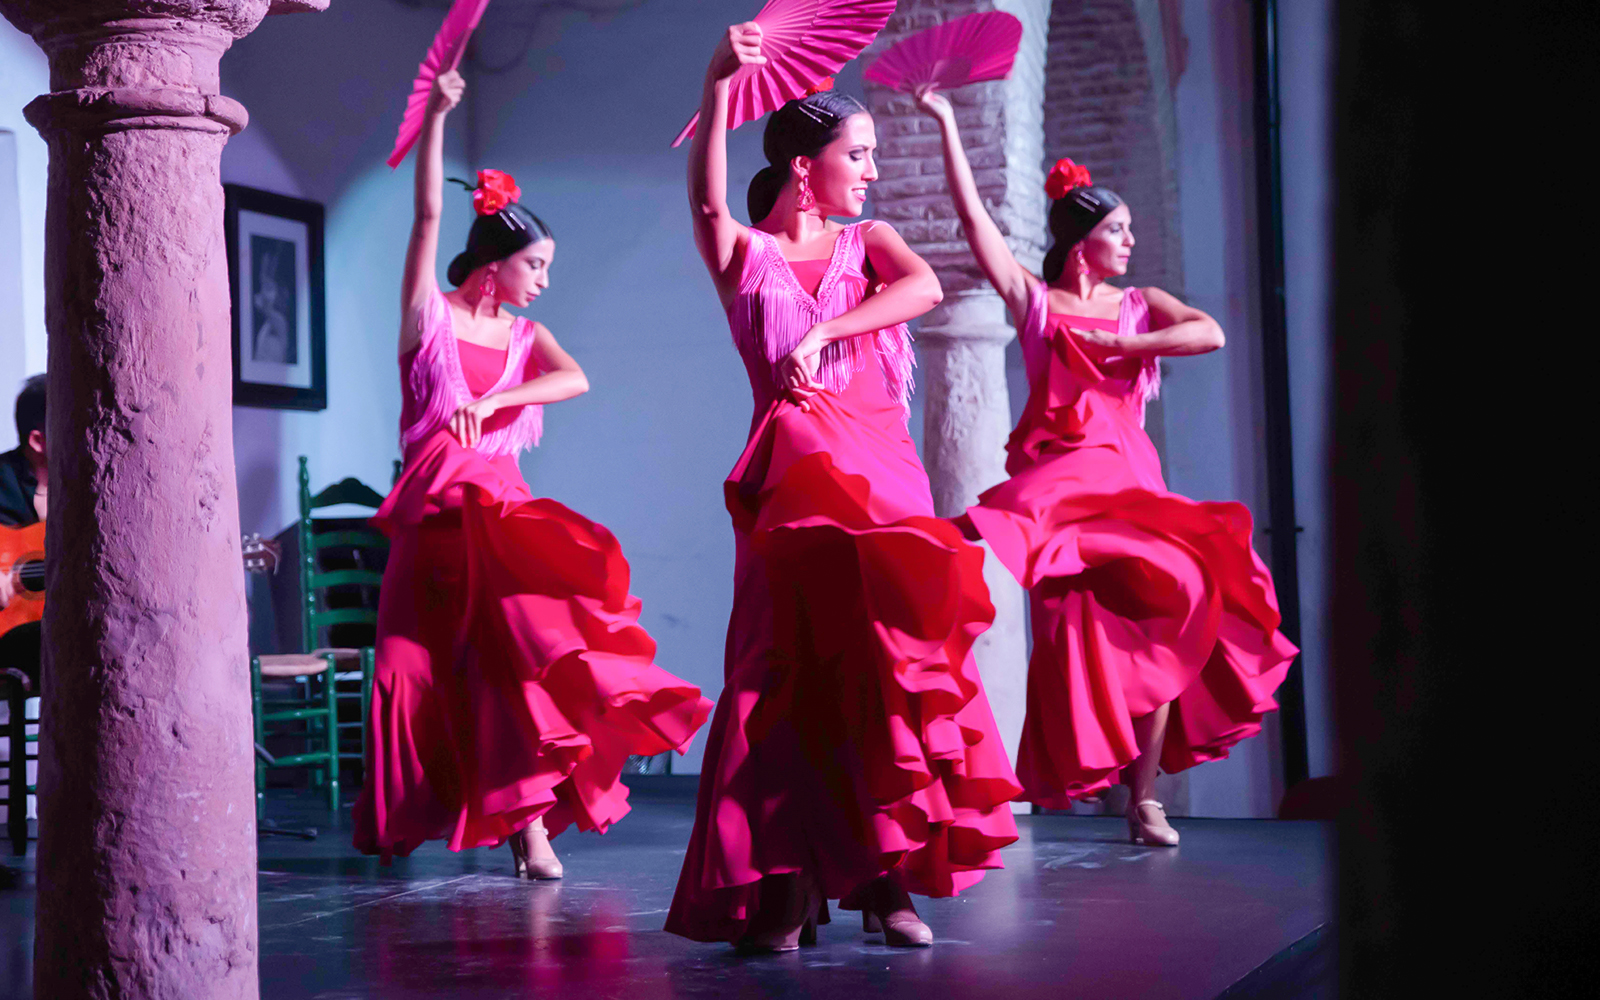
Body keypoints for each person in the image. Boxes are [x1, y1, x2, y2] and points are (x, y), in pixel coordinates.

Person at [664, 24, 1021, 952]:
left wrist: (825, 335)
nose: (867, 170)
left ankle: (884, 886)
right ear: (801, 164)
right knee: (784, 678)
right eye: (854, 155)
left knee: (886, 671)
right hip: (790, 479)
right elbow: (705, 202)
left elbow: (927, 291)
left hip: (881, 472)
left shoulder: (873, 242)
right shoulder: (743, 254)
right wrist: (716, 80)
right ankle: (783, 890)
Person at [352, 70, 712, 878]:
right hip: (432, 520)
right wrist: (439, 118)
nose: (545, 279)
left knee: (517, 659)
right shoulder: (429, 318)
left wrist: (507, 394)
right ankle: (410, 820)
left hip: (499, 515)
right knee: (410, 666)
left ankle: (529, 828)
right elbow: (425, 217)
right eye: (536, 264)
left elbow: (575, 378)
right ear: (496, 263)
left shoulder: (526, 337)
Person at [918, 88, 1298, 846]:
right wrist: (947, 123)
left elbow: (1212, 334)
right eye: (1118, 230)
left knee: (1180, 603)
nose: (1129, 241)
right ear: (1084, 237)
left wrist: (1131, 349)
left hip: (1130, 489)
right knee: (1074, 643)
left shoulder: (1137, 306)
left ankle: (1145, 795)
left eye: (1129, 229)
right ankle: (1014, 767)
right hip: (1060, 499)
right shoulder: (1037, 303)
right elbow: (974, 225)